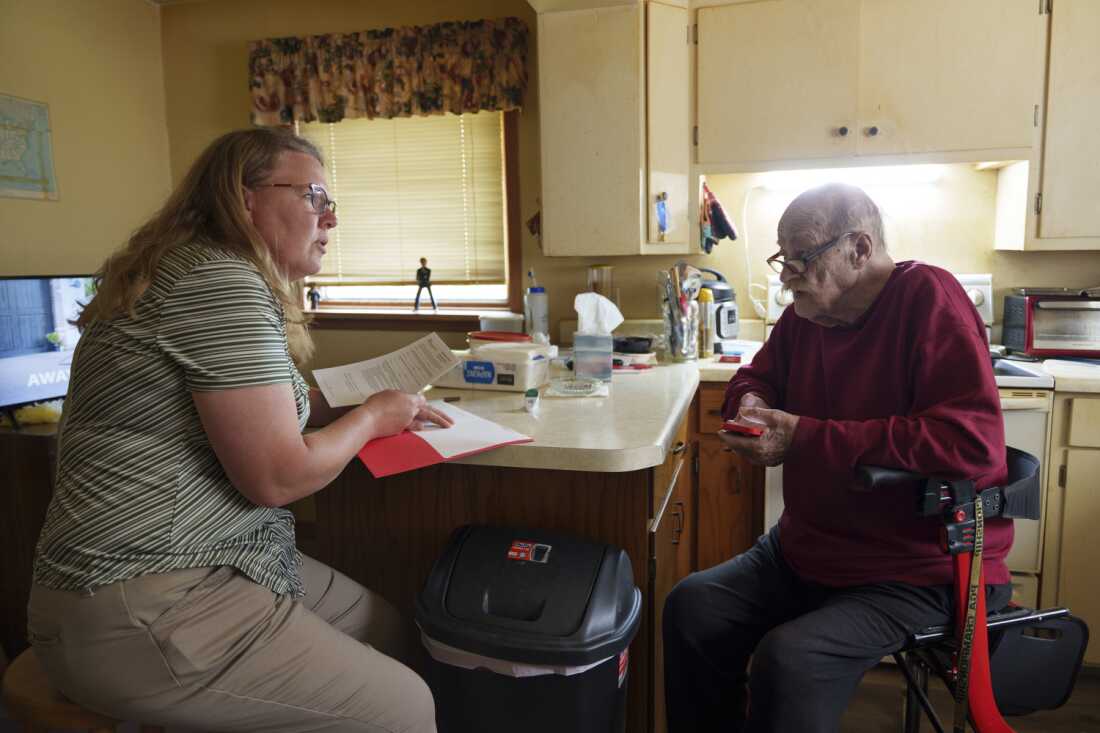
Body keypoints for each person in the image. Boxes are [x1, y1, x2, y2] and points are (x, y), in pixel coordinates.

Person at [27, 128, 453, 733]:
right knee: (406, 708)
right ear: (243, 198)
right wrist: (372, 418)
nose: (330, 217)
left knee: (382, 627)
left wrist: (370, 402)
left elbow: (270, 406)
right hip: (141, 596)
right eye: (313, 196)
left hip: (209, 565)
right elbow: (278, 476)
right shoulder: (217, 283)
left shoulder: (195, 269)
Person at [662, 183, 1011, 732]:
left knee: (791, 658)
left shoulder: (929, 299)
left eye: (799, 260)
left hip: (915, 567)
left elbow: (970, 443)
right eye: (783, 259)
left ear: (859, 249)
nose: (785, 277)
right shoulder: (808, 313)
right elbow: (756, 376)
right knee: (693, 607)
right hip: (809, 548)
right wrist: (750, 403)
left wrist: (804, 436)